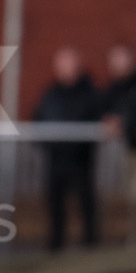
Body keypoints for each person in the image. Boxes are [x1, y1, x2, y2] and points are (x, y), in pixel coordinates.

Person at [32, 47, 103, 253]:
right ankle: (55, 249)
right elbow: (38, 118)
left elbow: (98, 117)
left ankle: (91, 249)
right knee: (55, 206)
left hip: (81, 159)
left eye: (71, 65)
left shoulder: (90, 93)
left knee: (86, 204)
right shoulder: (50, 93)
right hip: (56, 159)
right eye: (63, 65)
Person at [101, 44, 136, 243]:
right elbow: (103, 108)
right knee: (131, 195)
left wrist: (123, 121)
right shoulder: (114, 88)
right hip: (130, 147)